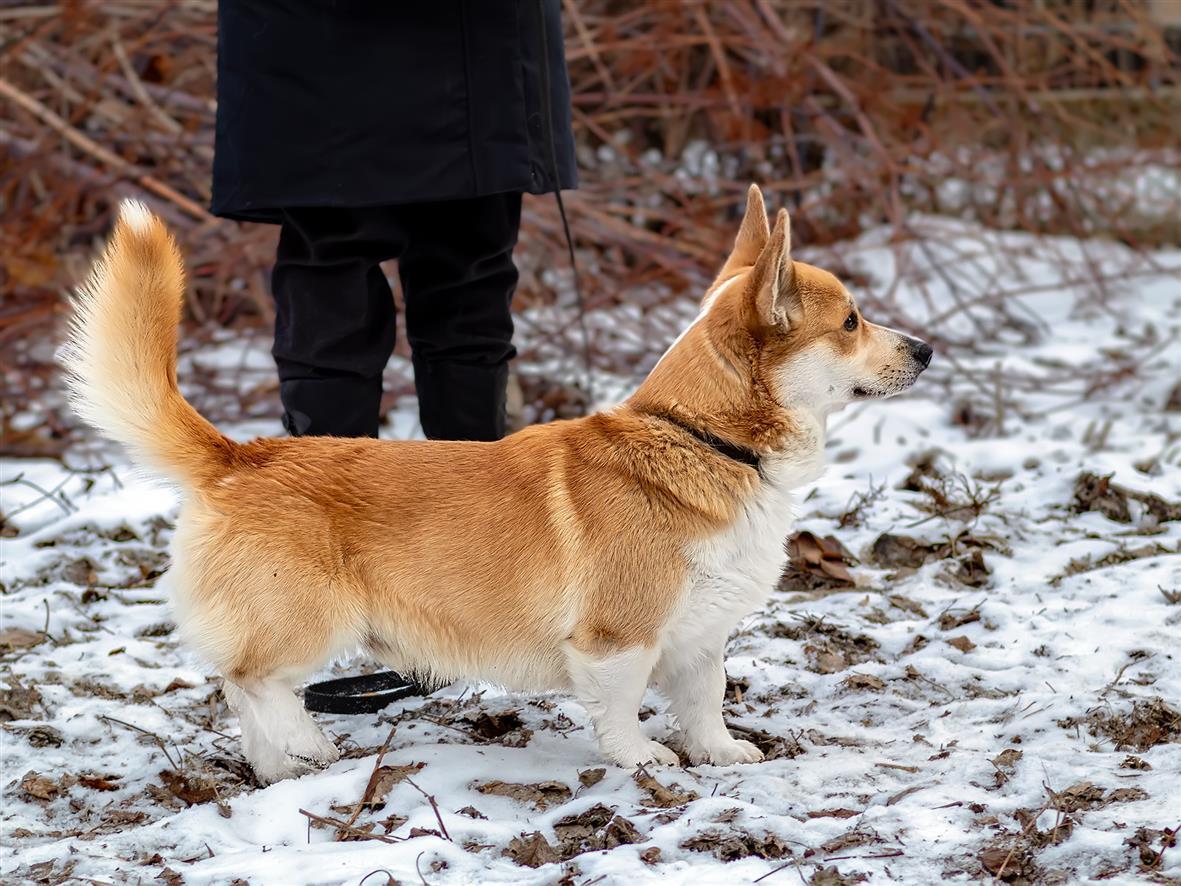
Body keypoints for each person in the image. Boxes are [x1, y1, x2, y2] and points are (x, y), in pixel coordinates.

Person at [211, 1, 577, 702]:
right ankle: (344, 582)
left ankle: (461, 592)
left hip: (454, 49)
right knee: (388, 277)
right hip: (343, 43)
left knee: (434, 273)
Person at [212, 0, 577, 441]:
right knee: (338, 274)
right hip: (320, 40)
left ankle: (469, 500)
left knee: (465, 265)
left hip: (479, 46)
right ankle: (333, 501)